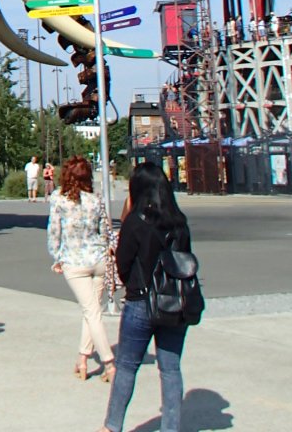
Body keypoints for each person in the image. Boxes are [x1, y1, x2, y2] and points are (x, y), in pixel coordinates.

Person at [96, 162, 190, 432]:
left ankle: (112, 426)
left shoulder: (135, 222)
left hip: (141, 300)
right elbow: (186, 261)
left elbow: (123, 264)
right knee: (170, 368)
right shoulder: (179, 222)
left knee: (127, 366)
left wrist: (135, 284)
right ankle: (171, 427)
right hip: (175, 301)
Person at [47, 156, 115, 383]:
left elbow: (54, 231)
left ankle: (109, 363)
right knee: (92, 311)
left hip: (74, 261)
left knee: (91, 312)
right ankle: (82, 359)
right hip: (98, 258)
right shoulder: (95, 199)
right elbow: (104, 230)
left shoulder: (59, 198)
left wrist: (56, 257)